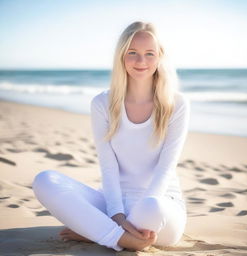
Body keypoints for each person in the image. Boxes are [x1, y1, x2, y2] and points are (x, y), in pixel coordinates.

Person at [32, 21, 190, 252]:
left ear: (159, 57)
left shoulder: (176, 104)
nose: (141, 61)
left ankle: (97, 232)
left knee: (150, 207)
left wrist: (130, 216)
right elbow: (108, 166)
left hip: (160, 208)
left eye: (149, 54)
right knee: (44, 180)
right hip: (111, 203)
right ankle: (118, 235)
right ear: (121, 56)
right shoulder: (102, 103)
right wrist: (116, 216)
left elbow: (166, 168)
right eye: (132, 53)